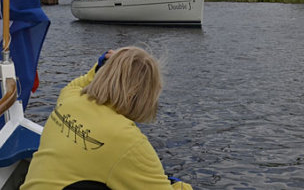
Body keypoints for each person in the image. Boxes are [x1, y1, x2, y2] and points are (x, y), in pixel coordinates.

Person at [21, 47, 192, 189]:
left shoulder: (69, 98)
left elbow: (83, 81)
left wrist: (103, 64)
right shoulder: (128, 141)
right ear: (139, 95)